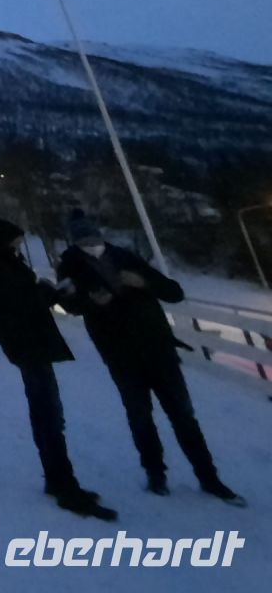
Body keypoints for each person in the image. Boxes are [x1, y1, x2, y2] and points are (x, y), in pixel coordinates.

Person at [56, 216, 244, 505]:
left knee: (183, 416)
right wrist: (92, 302)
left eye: (93, 239)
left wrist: (143, 282)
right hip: (120, 354)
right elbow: (68, 302)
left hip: (158, 348)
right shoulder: (69, 265)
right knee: (140, 416)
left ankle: (208, 476)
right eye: (84, 241)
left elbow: (173, 292)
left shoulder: (126, 257)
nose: (91, 245)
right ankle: (156, 473)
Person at [0, 219, 114, 520]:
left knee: (46, 413)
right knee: (49, 415)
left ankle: (56, 478)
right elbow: (21, 302)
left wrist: (45, 291)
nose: (19, 246)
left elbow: (20, 297)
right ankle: (65, 486)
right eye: (16, 241)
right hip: (29, 343)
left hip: (27, 343)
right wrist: (50, 292)